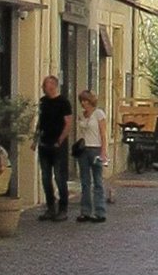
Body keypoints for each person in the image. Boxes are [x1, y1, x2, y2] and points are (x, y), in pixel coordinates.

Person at [35, 73, 73, 220]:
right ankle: (50, 207)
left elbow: (68, 123)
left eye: (47, 85)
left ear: (54, 86)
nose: (45, 88)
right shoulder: (43, 102)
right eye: (44, 85)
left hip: (58, 145)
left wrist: (60, 140)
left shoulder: (63, 102)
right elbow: (40, 121)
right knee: (45, 177)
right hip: (44, 143)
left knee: (59, 177)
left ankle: (63, 208)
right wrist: (36, 139)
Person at [74, 87, 108, 221]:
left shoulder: (99, 114)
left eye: (86, 101)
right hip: (83, 150)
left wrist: (103, 152)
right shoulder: (82, 115)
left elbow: (103, 134)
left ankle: (100, 212)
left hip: (95, 149)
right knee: (85, 182)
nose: (83, 103)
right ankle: (85, 211)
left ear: (91, 101)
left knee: (98, 181)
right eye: (82, 101)